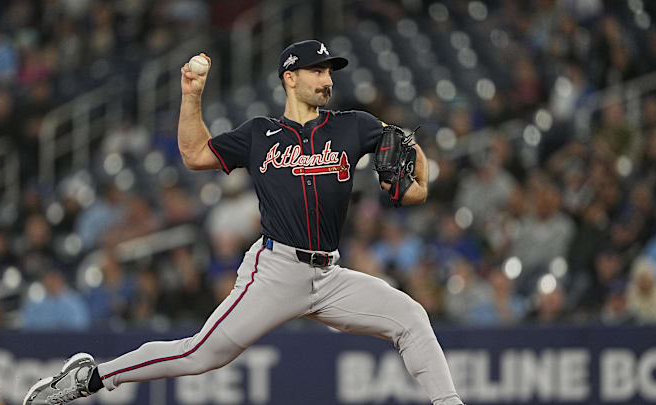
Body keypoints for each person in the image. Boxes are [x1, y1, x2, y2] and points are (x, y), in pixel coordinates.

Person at [23, 40, 464, 405]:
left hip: (329, 274)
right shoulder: (259, 134)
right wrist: (192, 96)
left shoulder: (355, 126)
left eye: (330, 71)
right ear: (290, 77)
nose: (327, 78)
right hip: (276, 270)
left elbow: (413, 188)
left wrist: (410, 148)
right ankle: (91, 378)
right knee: (200, 353)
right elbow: (196, 156)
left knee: (410, 316)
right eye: (317, 70)